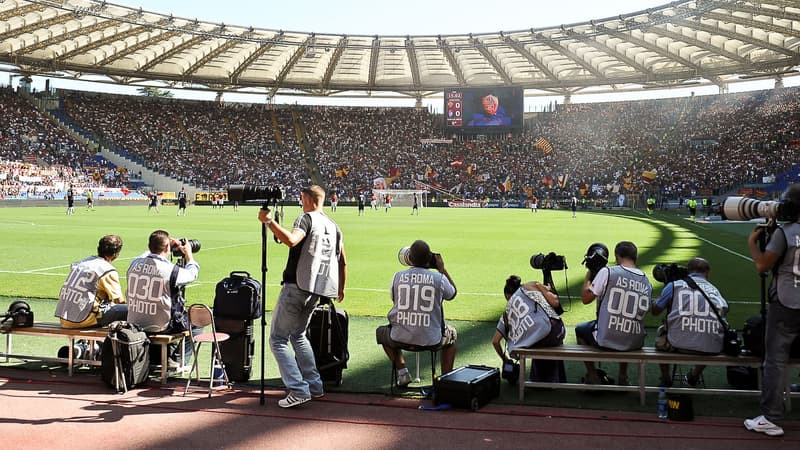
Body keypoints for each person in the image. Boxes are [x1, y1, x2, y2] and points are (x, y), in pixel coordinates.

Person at [258, 185, 347, 408]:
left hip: (296, 286)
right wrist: (341, 288)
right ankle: (315, 386)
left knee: (277, 339)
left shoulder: (306, 218)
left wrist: (269, 222)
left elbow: (292, 240)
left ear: (307, 198)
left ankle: (298, 389)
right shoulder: (334, 226)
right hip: (317, 288)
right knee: (298, 335)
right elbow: (343, 261)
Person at [744, 184, 800, 437]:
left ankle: (771, 417)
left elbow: (762, 266)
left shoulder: (785, 232)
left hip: (787, 301)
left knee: (775, 360)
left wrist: (753, 242)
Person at [376, 240, 457, 387]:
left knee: (381, 333)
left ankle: (402, 372)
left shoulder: (397, 277)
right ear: (429, 259)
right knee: (452, 335)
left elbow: (395, 300)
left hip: (399, 337)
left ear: (410, 259)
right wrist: (442, 269)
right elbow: (452, 293)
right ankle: (445, 382)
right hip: (431, 340)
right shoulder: (439, 279)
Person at [575, 241, 652, 385]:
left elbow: (586, 298)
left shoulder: (608, 272)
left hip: (607, 338)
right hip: (636, 341)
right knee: (625, 328)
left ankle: (592, 375)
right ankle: (623, 376)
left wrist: (590, 273)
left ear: (617, 256)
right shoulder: (647, 281)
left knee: (580, 330)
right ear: (635, 258)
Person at [650, 257, 728, 387]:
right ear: (707, 272)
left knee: (662, 332)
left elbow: (655, 311)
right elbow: (724, 311)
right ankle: (694, 375)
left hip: (678, 343)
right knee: (708, 333)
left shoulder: (675, 285)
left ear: (688, 270)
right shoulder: (715, 290)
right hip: (711, 346)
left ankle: (665, 377)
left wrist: (665, 290)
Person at [126, 230, 200, 365]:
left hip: (134, 322)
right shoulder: (171, 270)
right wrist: (188, 254)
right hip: (161, 325)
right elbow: (192, 274)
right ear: (167, 248)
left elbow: (146, 254)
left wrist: (163, 243)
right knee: (197, 322)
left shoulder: (134, 263)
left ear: (149, 247)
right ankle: (178, 360)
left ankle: (160, 356)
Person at [492, 275, 565, 381]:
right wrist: (543, 288)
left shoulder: (507, 313)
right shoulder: (530, 287)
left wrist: (505, 360)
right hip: (558, 332)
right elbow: (555, 303)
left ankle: (538, 379)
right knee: (538, 334)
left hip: (538, 341)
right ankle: (559, 377)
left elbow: (495, 342)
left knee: (532, 339)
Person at [55, 235, 127, 328]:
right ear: (116, 254)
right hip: (83, 319)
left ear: (98, 248)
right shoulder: (107, 270)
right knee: (130, 311)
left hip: (64, 319)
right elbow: (119, 301)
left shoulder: (81, 263)